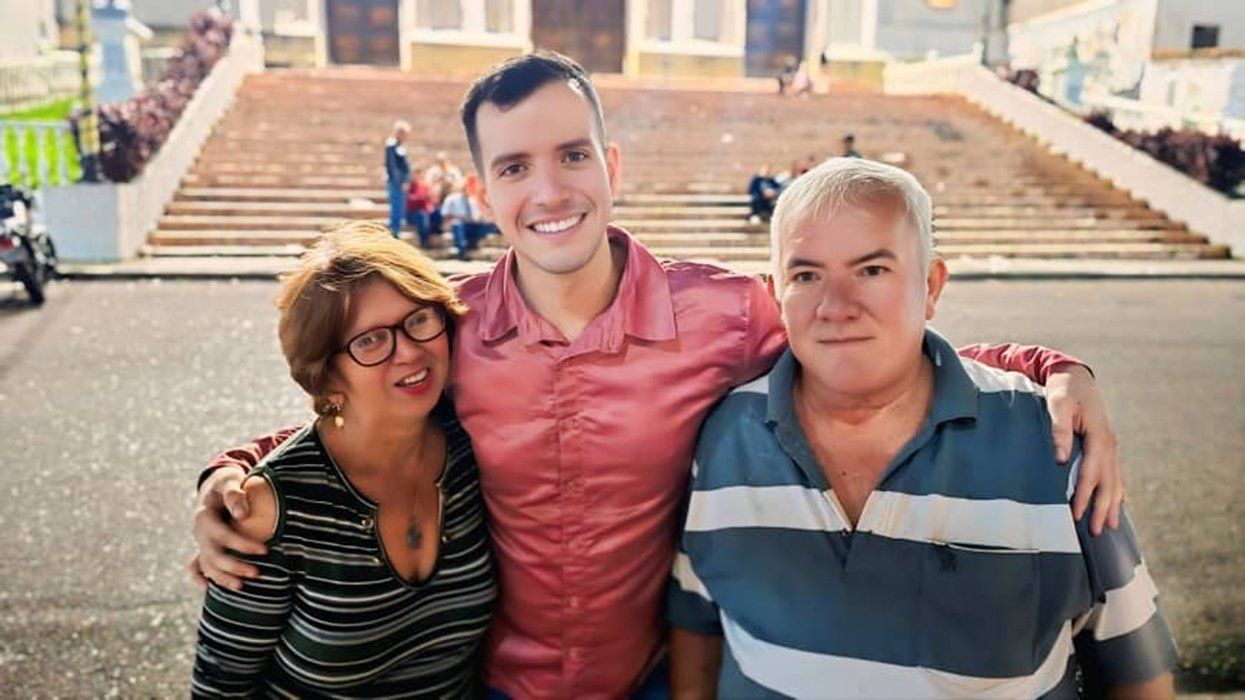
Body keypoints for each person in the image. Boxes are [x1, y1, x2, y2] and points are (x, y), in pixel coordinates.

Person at [190, 52, 1127, 699]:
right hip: (489, 682)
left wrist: (1050, 366)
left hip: (654, 679)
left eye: (571, 155)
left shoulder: (722, 315)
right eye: (514, 166)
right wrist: (228, 474)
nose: (548, 190)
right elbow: (355, 414)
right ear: (482, 192)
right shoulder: (451, 322)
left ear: (612, 164)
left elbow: (866, 332)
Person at [668, 158, 1177, 698]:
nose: (836, 307)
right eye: (807, 275)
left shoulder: (1050, 441)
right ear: (775, 295)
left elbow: (1134, 666)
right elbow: (698, 625)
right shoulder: (725, 436)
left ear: (931, 285)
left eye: (872, 270)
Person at [191, 221, 496, 696]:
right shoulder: (271, 508)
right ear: (326, 371)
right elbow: (220, 685)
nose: (410, 353)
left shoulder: (473, 445)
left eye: (419, 319)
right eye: (370, 340)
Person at [384, 121, 412, 238]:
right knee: (396, 207)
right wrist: (399, 182)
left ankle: (397, 230)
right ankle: (394, 232)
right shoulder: (391, 145)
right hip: (396, 183)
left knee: (400, 208)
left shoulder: (399, 146)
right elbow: (392, 166)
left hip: (400, 183)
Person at [405, 165, 442, 247]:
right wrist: (422, 198)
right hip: (413, 212)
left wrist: (431, 198)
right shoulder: (410, 186)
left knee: (437, 211)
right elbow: (410, 200)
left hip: (426, 210)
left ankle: (435, 235)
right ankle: (424, 241)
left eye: (419, 174)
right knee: (421, 216)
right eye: (416, 174)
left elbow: (432, 200)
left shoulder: (425, 186)